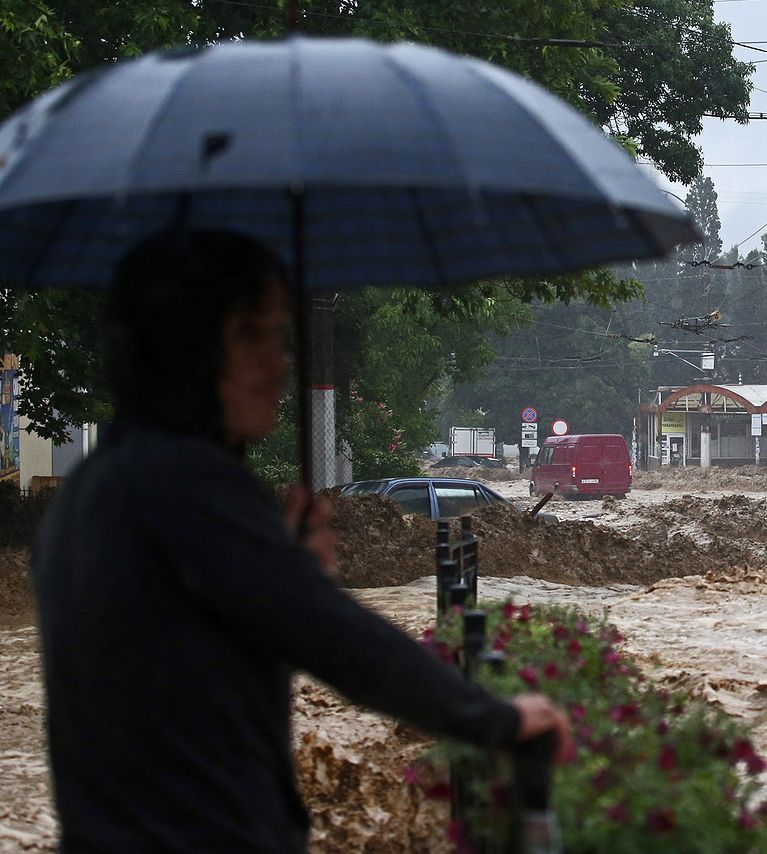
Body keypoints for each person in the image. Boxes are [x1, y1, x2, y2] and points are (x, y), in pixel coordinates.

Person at [32, 230, 571, 852]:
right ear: (182, 349)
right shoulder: (186, 485)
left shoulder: (94, 491)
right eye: (250, 336)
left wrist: (278, 565)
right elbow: (338, 640)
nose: (278, 362)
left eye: (279, 337)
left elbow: (184, 666)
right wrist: (497, 719)